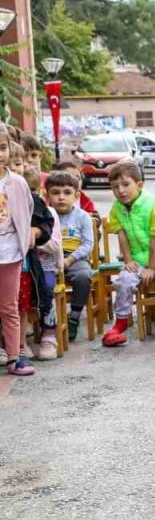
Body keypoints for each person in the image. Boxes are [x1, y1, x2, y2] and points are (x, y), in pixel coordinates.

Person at [101, 161, 155, 348]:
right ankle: (120, 323)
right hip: (138, 257)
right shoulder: (117, 208)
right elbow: (121, 235)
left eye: (125, 185)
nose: (120, 191)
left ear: (139, 185)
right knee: (124, 280)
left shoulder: (154, 205)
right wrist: (129, 261)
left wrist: (151, 268)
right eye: (115, 187)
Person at [0, 139, 41, 375]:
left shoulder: (17, 183)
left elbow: (27, 211)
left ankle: (15, 357)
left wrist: (23, 242)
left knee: (9, 307)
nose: (0, 154)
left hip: (10, 254)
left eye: (2, 147)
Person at [45, 170, 94, 342]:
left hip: (75, 258)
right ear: (47, 195)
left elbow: (88, 244)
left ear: (76, 195)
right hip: (49, 258)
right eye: (55, 193)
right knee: (42, 281)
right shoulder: (45, 216)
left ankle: (74, 316)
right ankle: (48, 321)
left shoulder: (83, 217)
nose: (61, 197)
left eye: (67, 193)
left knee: (83, 276)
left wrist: (69, 260)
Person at [28, 170, 60, 361]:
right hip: (23, 265)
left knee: (47, 287)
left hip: (46, 265)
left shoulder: (49, 213)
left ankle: (49, 334)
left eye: (33, 191)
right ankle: (17, 341)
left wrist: (33, 237)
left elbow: (55, 246)